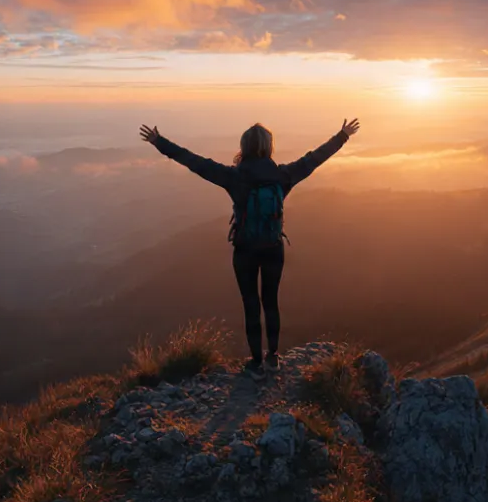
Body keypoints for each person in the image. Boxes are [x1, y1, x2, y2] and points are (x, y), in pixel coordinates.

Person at [140, 118, 360, 379]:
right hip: (273, 248)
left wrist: (159, 142)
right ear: (269, 148)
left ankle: (256, 363)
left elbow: (194, 161)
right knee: (271, 302)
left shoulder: (234, 177)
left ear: (243, 147)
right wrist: (342, 136)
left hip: (244, 250)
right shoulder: (283, 176)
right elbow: (314, 158)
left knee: (250, 304)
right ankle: (273, 358)